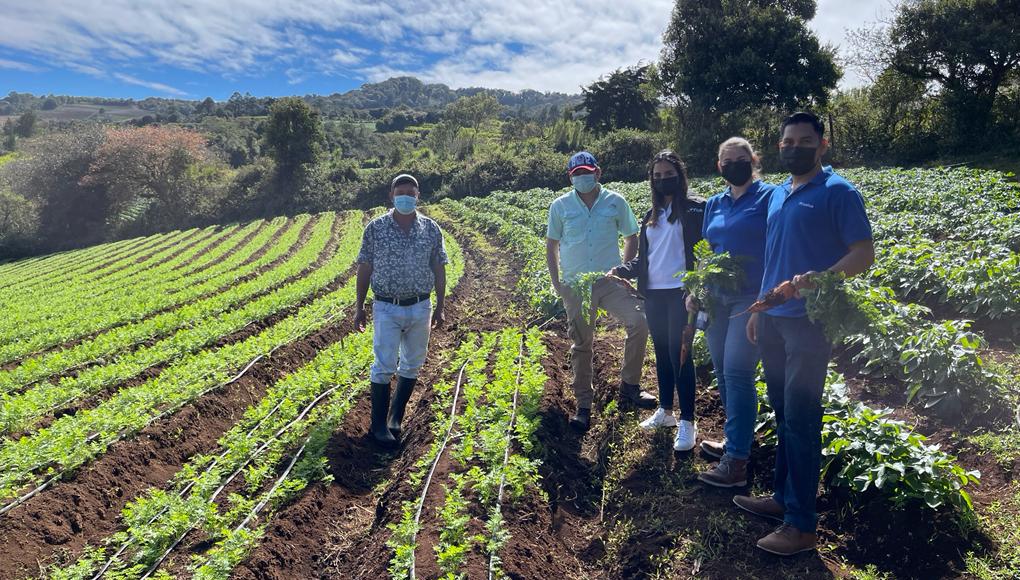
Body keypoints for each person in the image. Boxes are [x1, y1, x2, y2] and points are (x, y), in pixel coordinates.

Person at [733, 112, 874, 556]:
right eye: (787, 141)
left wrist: (819, 278)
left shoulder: (838, 192)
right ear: (779, 146)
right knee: (782, 411)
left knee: (801, 416)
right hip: (774, 319)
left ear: (822, 144)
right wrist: (761, 307)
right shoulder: (777, 195)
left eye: (804, 140)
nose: (795, 147)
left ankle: (801, 525)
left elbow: (863, 253)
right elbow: (773, 257)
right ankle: (781, 499)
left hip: (809, 324)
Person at [546, 151, 655, 432]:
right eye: (576, 174)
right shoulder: (560, 206)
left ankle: (629, 386)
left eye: (586, 172)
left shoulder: (615, 202)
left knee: (639, 321)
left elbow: (631, 234)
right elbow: (552, 246)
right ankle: (584, 404)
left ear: (598, 172)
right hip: (576, 284)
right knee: (582, 343)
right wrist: (558, 284)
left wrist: (624, 270)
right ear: (570, 177)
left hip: (608, 282)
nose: (582, 178)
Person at [695, 137, 777, 487]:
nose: (734, 164)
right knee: (723, 373)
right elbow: (704, 250)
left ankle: (737, 464)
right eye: (727, 160)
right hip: (716, 297)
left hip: (750, 297)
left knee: (738, 371)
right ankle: (736, 441)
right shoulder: (715, 203)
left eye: (741, 159)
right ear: (719, 166)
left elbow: (776, 246)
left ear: (753, 160)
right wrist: (696, 288)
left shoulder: (769, 196)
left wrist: (765, 299)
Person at [613, 150, 705, 452]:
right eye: (658, 176)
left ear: (680, 175)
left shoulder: (695, 210)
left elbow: (707, 252)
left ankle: (688, 422)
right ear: (652, 180)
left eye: (669, 174)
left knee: (681, 355)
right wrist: (622, 269)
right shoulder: (650, 216)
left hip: (682, 294)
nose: (664, 179)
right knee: (663, 354)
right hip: (654, 294)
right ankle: (666, 412)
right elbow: (645, 258)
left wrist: (699, 289)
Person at [354, 173, 448, 448]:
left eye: (411, 192)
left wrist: (441, 306)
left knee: (413, 362)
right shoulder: (375, 228)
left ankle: (396, 417)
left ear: (418, 197)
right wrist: (359, 307)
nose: (406, 196)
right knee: (383, 365)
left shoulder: (431, 229)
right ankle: (378, 426)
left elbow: (439, 268)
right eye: (401, 192)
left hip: (420, 305)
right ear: (392, 196)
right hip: (386, 306)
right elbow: (365, 267)